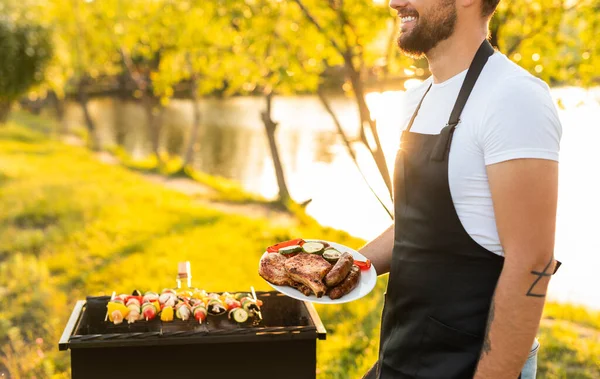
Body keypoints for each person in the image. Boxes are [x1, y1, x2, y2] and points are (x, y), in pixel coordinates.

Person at [360, 0, 562, 378]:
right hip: (403, 352)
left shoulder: (513, 98)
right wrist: (351, 265)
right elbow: (423, 225)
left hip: (468, 363)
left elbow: (531, 264)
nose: (394, 2)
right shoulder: (415, 99)